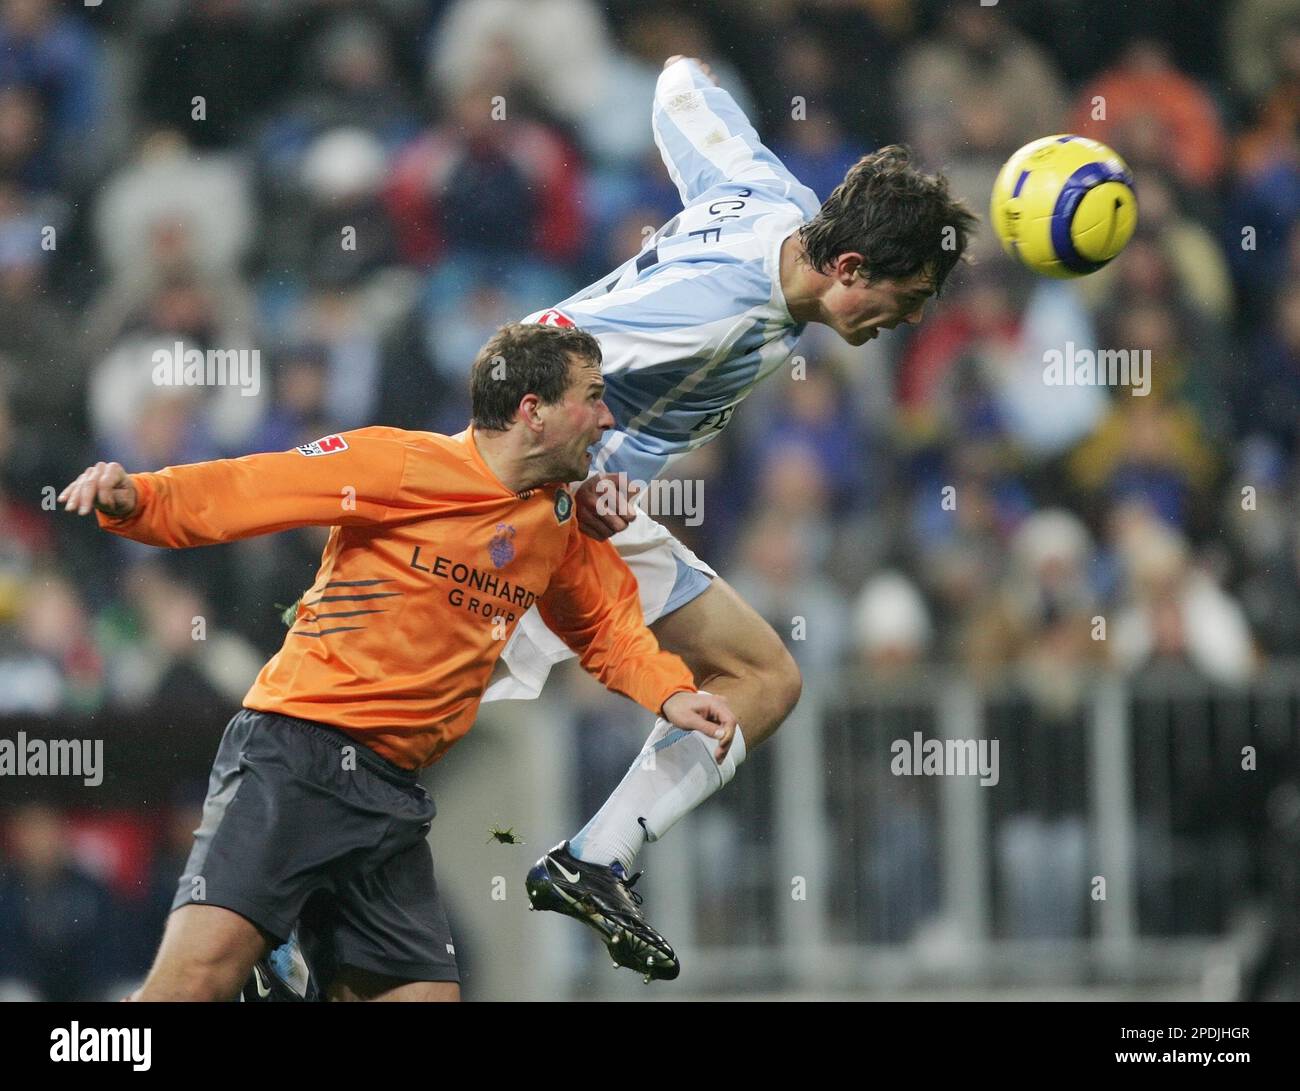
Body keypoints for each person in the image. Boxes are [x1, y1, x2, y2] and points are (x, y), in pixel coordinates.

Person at [58, 323, 737, 1000]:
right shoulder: (401, 464)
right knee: (193, 982)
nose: (607, 416)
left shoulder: (556, 518)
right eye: (592, 397)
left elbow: (604, 625)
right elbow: (254, 487)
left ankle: (286, 967)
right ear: (533, 411)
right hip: (297, 757)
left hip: (391, 795)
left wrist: (670, 693)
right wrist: (140, 499)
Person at [491, 56, 976, 975]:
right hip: (527, 509)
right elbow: (532, 352)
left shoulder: (770, 193)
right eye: (904, 301)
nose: (906, 323)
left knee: (762, 676)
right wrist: (581, 468)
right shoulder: (720, 311)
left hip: (582, 512)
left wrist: (685, 62)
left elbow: (679, 88)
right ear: (849, 266)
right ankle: (278, 901)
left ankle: (594, 858)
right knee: (398, 723)